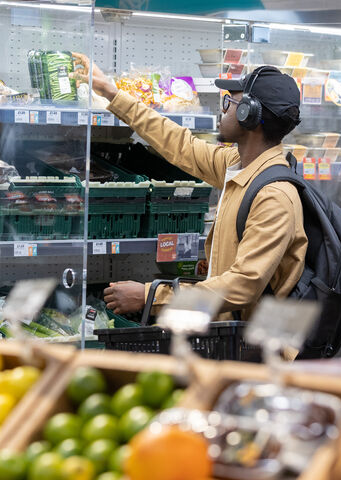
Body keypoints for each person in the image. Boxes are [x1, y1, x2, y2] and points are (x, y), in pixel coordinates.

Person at [72, 55, 308, 321]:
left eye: (229, 103)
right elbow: (179, 144)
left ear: (249, 115)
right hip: (228, 340)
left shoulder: (273, 196)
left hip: (255, 353)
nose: (224, 109)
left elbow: (243, 286)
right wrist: (112, 94)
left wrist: (151, 295)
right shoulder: (238, 166)